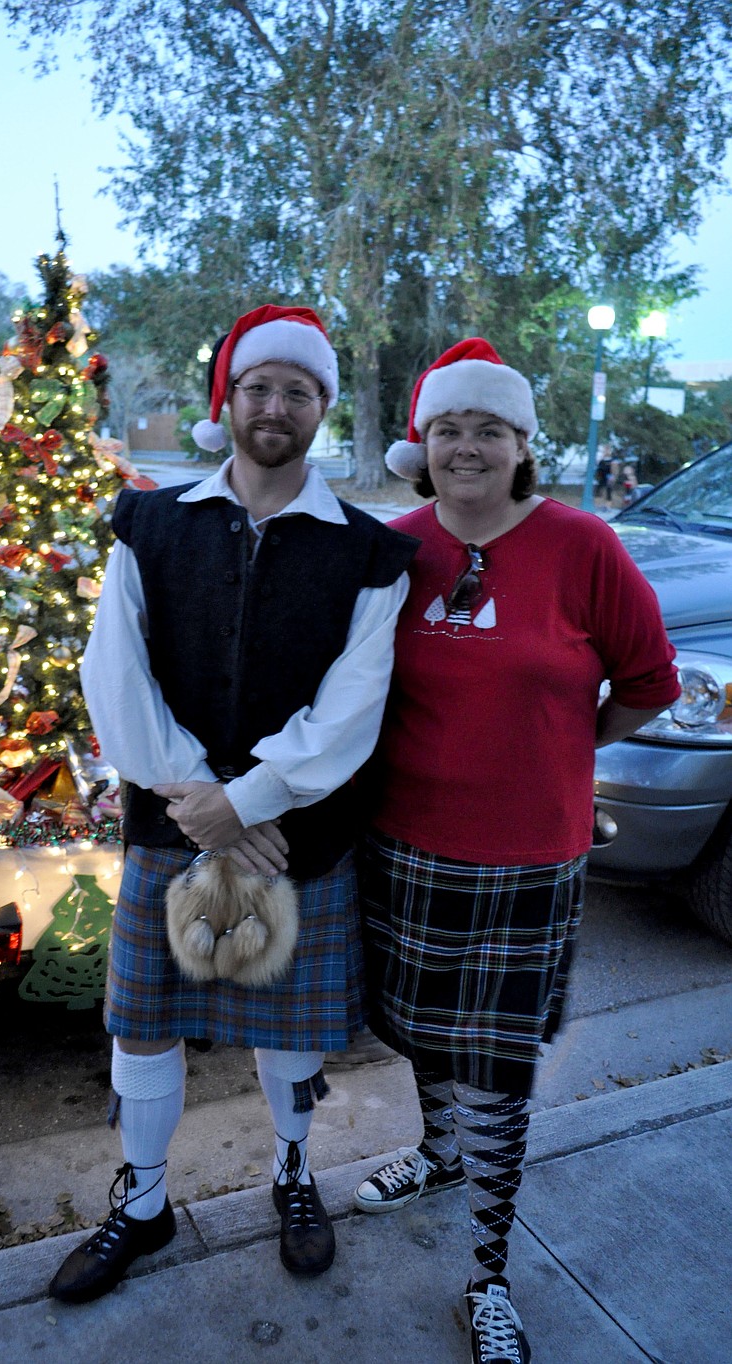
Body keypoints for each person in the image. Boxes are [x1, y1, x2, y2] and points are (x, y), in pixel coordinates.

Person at [48, 304, 418, 1304]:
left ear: (321, 409)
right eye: (259, 385)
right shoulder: (150, 520)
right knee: (143, 1026)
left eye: (298, 389)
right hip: (176, 821)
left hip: (294, 836)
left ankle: (293, 1171)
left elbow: (350, 710)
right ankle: (143, 1197)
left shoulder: (370, 554)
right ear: (230, 398)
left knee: (286, 1027)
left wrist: (250, 799)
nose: (275, 404)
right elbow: (114, 676)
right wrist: (208, 804)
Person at [351, 338, 680, 1364]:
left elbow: (649, 680)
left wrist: (564, 745)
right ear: (424, 442)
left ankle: (487, 1270)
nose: (465, 446)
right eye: (447, 428)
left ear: (521, 443)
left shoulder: (584, 545)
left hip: (527, 855)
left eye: (486, 428)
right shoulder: (395, 546)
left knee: (495, 1062)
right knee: (422, 1028)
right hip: (405, 844)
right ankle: (437, 1152)